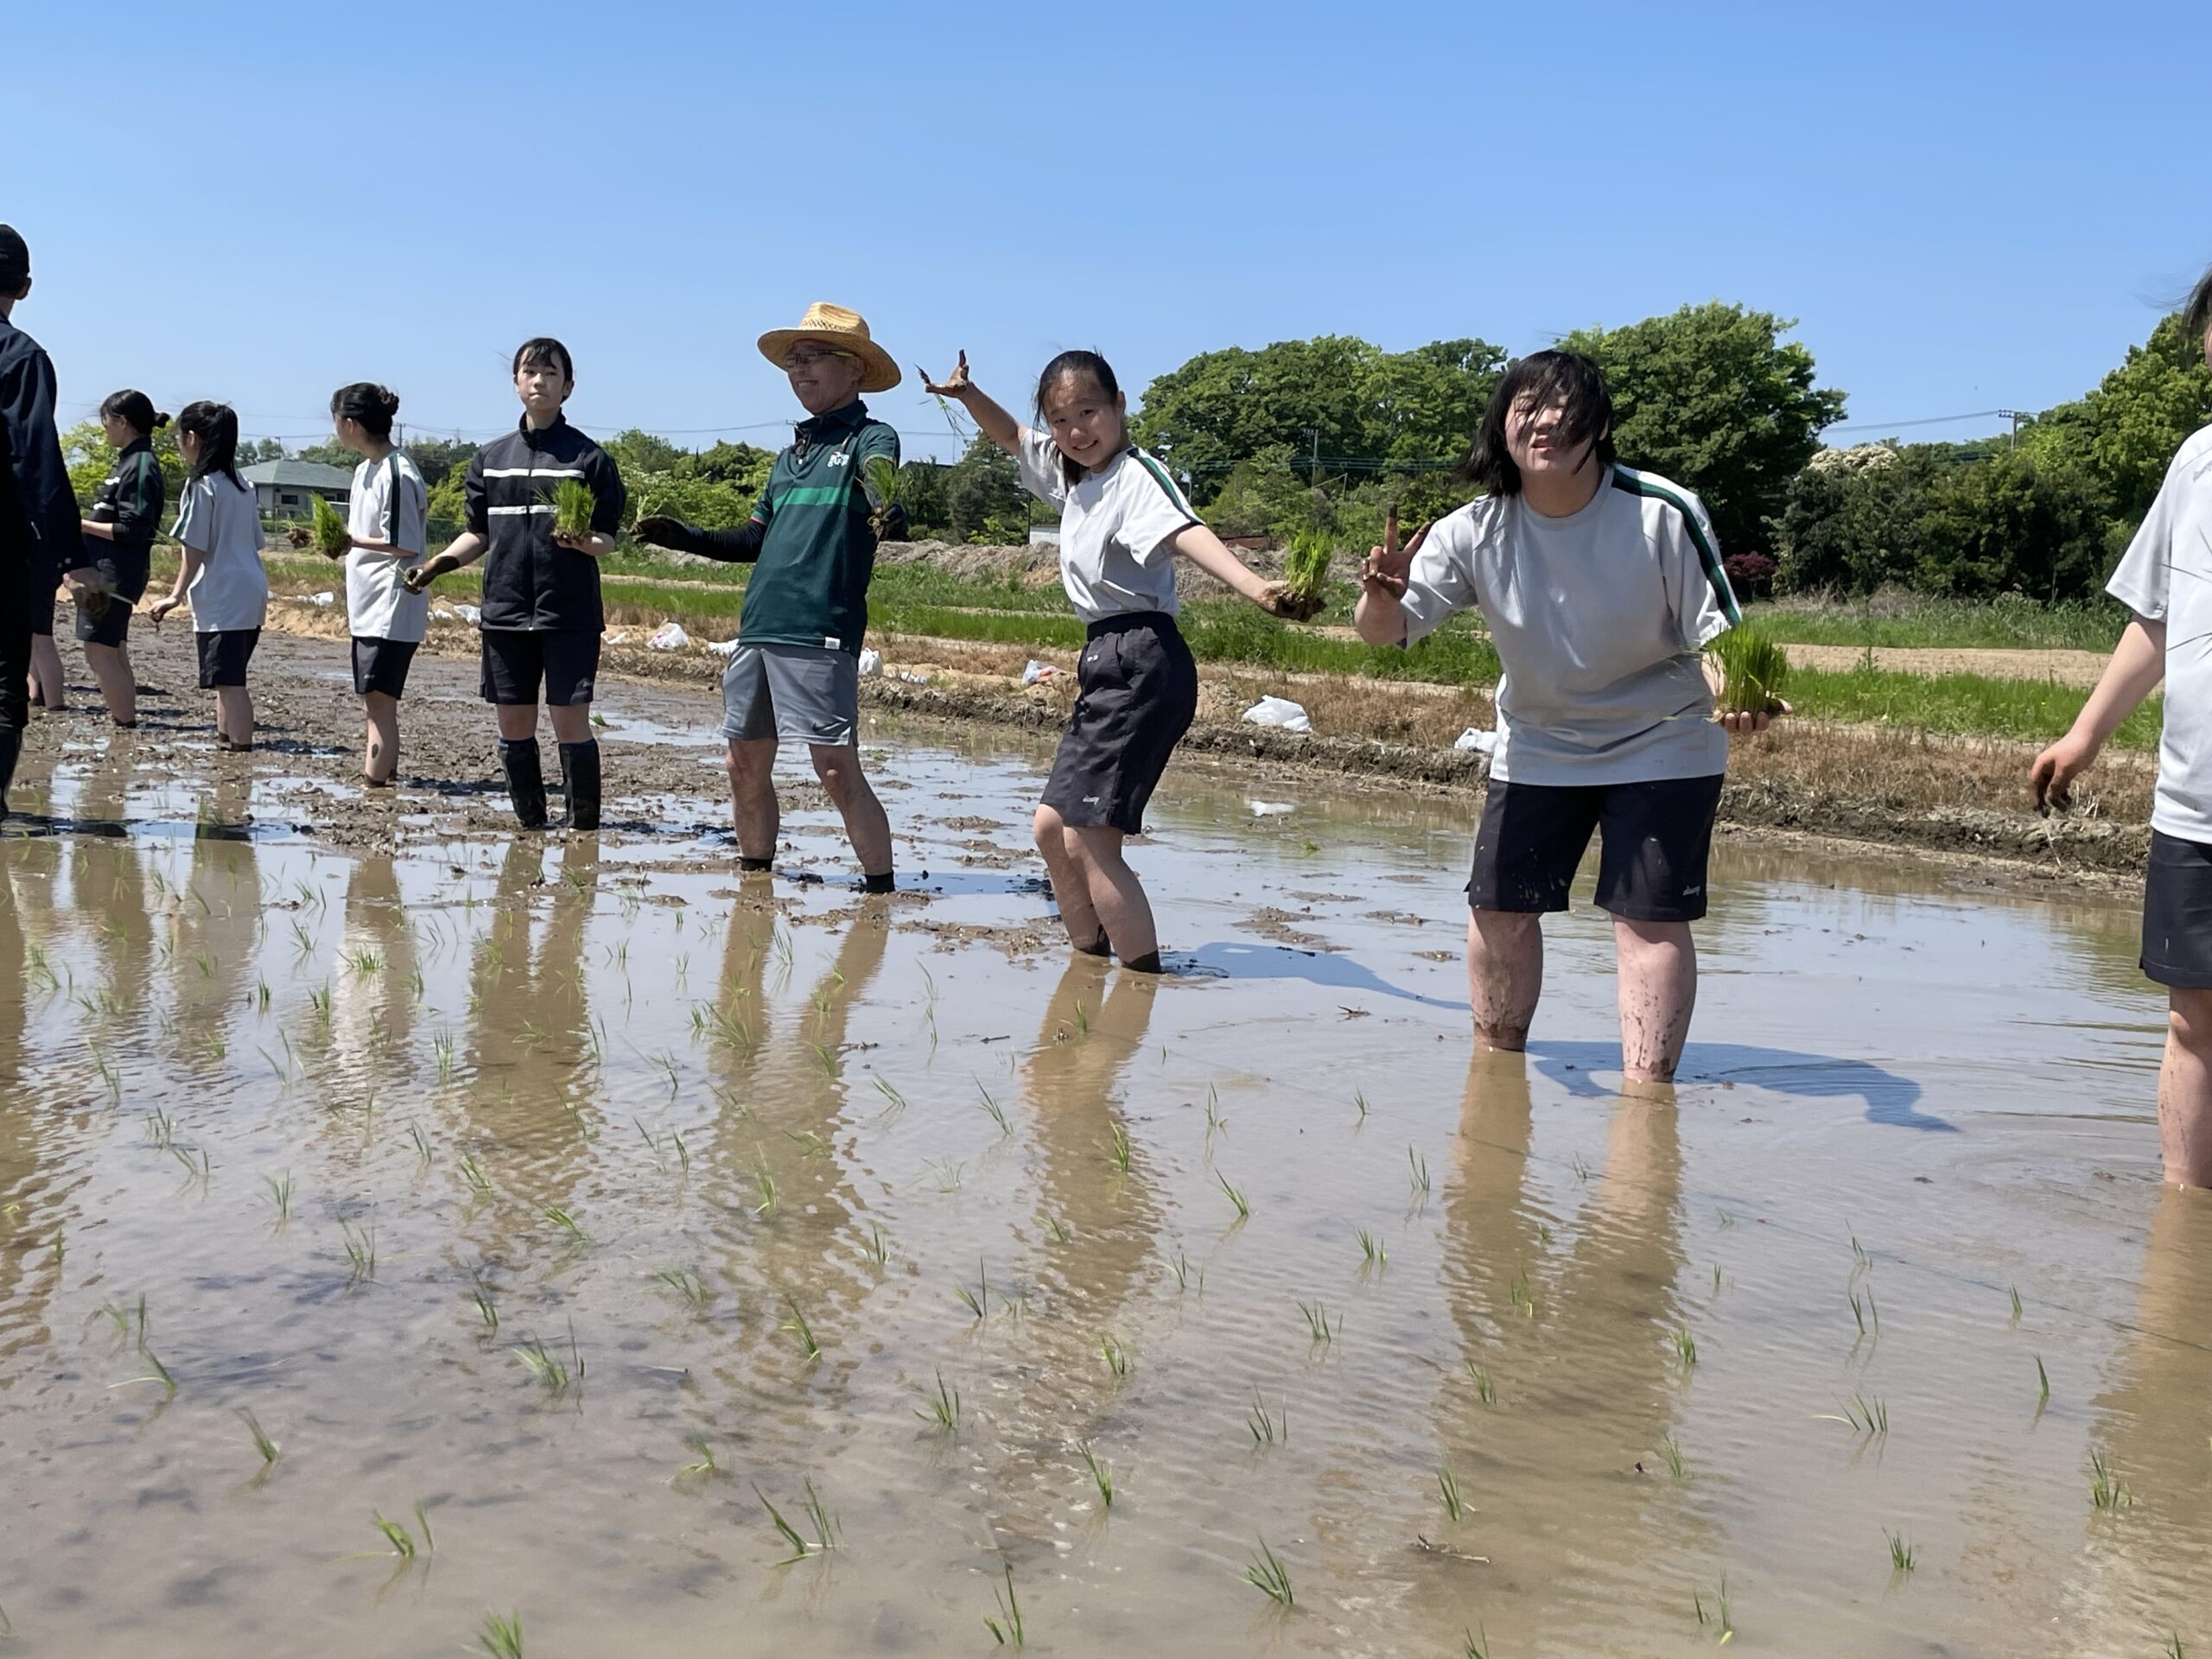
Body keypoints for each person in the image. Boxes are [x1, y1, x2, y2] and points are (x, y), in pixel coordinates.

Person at [1353, 349, 1778, 1084]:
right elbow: (1384, 635)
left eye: (1564, 408)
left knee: (1647, 920)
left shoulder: (1659, 511)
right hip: (1539, 740)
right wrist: (1380, 597)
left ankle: (1647, 1094)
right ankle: (1495, 1072)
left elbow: (1718, 637)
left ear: (1600, 425)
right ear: (1501, 426)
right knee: (1499, 911)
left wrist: (1736, 696)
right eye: (1526, 407)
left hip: (1662, 737)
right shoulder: (1474, 528)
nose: (1544, 422)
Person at [918, 348, 1315, 971]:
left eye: (1089, 412)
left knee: (1090, 840)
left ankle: (1140, 984)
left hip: (1142, 659)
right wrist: (968, 396)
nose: (1077, 431)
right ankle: (1087, 966)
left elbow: (1186, 531)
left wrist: (1257, 588)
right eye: (1061, 420)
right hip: (1103, 657)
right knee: (1051, 828)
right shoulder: (1074, 474)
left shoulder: (1136, 476)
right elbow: (1012, 437)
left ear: (1119, 405)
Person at [2031, 268, 2212, 1189]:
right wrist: (2086, 735)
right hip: (2196, 803)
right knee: (2192, 1020)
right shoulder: (2197, 462)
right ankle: (2184, 1223)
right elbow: (2156, 619)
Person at [632, 302, 906, 887]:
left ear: (855, 368)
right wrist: (688, 537)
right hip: (758, 627)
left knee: (834, 767)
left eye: (813, 357)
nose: (799, 369)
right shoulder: (788, 459)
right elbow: (753, 539)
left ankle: (881, 893)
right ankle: (754, 882)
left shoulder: (870, 438)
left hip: (819, 626)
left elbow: (880, 476)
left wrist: (886, 505)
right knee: (743, 763)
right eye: (793, 360)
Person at [405, 338, 622, 830]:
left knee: (571, 722)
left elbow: (608, 538)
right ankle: (531, 826)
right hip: (505, 612)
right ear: (516, 382)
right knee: (514, 724)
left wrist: (584, 542)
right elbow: (477, 534)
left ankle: (583, 831)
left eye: (551, 373)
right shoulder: (490, 458)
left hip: (568, 614)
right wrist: (436, 565)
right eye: (530, 372)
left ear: (568, 387)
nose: (540, 381)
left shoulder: (588, 458)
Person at [146, 402, 269, 749]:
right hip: (251, 588)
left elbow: (195, 546)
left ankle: (240, 752)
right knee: (226, 679)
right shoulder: (243, 483)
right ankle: (225, 744)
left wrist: (175, 595)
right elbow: (256, 541)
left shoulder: (202, 485)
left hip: (223, 593)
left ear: (192, 438)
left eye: (179, 439)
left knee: (229, 681)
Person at [325, 383, 428, 786]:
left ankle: (375, 785)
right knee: (374, 702)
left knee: (378, 703)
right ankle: (382, 778)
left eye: (336, 420)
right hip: (367, 603)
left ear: (350, 424)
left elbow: (405, 543)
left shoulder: (396, 473)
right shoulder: (365, 470)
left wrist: (349, 541)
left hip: (390, 604)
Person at [0, 224, 79, 727]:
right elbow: (36, 458)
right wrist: (71, 555)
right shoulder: (22, 358)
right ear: (25, 287)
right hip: (6, 551)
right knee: (6, 690)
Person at [70, 390, 169, 726]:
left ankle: (125, 724)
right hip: (107, 571)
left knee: (98, 651)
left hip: (110, 576)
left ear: (122, 422)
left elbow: (134, 528)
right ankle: (124, 720)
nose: (105, 430)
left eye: (106, 423)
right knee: (112, 650)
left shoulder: (140, 464)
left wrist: (80, 524)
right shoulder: (130, 461)